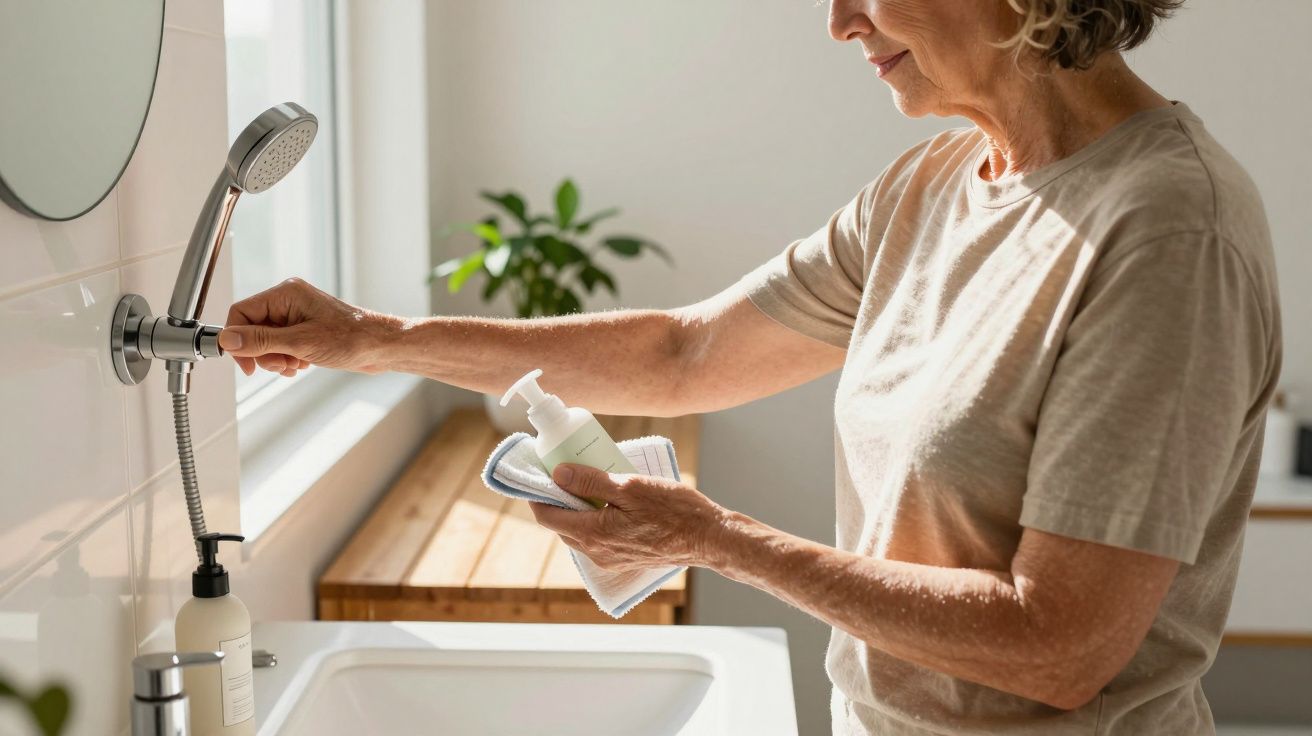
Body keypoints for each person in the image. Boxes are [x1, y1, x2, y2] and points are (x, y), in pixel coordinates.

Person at [218, 1, 1281, 732]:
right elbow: (685, 355)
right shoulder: (937, 182)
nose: (835, 20)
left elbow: (1058, 644)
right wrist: (372, 338)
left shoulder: (1168, 231)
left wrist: (715, 539)